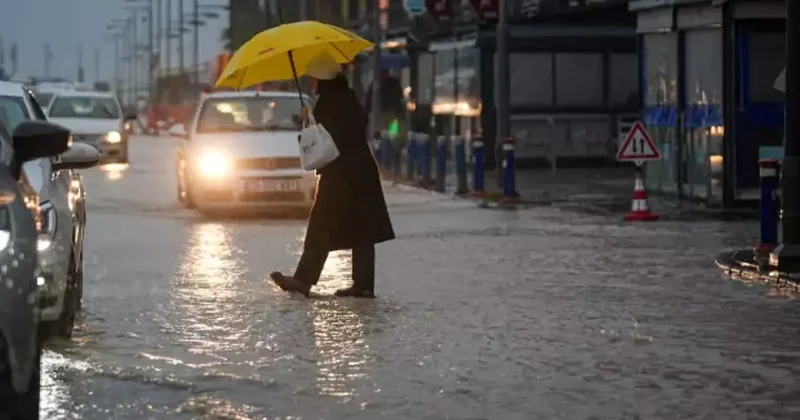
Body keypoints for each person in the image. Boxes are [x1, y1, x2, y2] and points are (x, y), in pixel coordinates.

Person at [270, 53, 395, 298]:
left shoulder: (331, 100)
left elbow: (330, 136)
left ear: (321, 78)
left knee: (321, 223)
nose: (312, 83)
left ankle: (303, 280)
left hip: (341, 172)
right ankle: (363, 285)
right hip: (360, 170)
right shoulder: (345, 96)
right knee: (363, 226)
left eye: (314, 78)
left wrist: (310, 120)